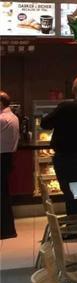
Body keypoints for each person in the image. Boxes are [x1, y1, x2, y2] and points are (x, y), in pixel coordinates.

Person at [40, 76, 77, 217]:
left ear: (74, 89)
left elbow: (45, 124)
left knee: (69, 191)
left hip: (66, 155)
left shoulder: (66, 106)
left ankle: (73, 221)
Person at [1, 92, 20, 239]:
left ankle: (5, 230)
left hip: (2, 158)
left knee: (2, 196)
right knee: (3, 195)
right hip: (7, 158)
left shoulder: (2, 118)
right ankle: (7, 229)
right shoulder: (13, 117)